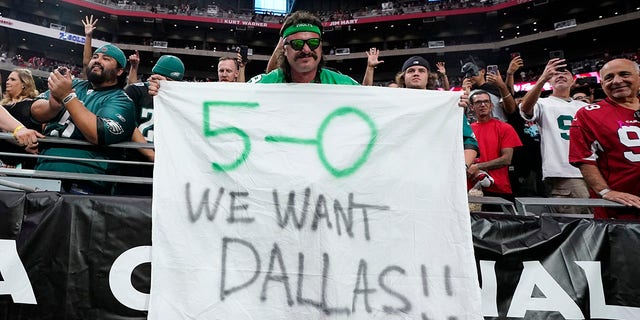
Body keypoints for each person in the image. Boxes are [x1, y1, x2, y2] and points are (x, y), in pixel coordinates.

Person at [30, 44, 136, 194]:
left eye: (106, 59)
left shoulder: (122, 100)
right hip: (44, 171)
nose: (97, 60)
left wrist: (67, 97)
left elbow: (99, 133)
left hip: (86, 181)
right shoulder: (73, 84)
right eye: (95, 57)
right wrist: (52, 106)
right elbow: (34, 110)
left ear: (119, 71)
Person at [569, 58, 640, 219]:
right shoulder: (589, 114)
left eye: (624, 74)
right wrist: (605, 191)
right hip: (623, 208)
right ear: (602, 84)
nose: (617, 81)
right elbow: (583, 158)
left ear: (638, 77)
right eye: (609, 77)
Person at [519, 57, 590, 214]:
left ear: (574, 79)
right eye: (554, 74)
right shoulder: (542, 103)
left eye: (565, 72)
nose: (560, 75)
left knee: (599, 221)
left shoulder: (586, 107)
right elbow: (525, 108)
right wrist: (542, 78)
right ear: (549, 81)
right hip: (563, 172)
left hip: (593, 171)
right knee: (577, 225)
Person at [247, 11, 359, 85]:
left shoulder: (344, 84)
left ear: (320, 46)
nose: (306, 50)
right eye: (297, 44)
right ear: (285, 49)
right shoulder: (263, 85)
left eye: (313, 42)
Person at [468, 90, 522, 209]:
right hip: (472, 187)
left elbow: (507, 159)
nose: (483, 105)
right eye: (478, 102)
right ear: (472, 107)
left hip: (500, 188)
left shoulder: (505, 128)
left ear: (491, 105)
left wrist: (478, 167)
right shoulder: (468, 130)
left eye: (486, 101)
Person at [0, 68, 45, 168]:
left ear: (24, 84)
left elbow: (42, 130)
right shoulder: (2, 105)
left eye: (13, 79)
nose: (7, 82)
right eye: (7, 79)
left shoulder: (32, 105)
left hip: (21, 161)